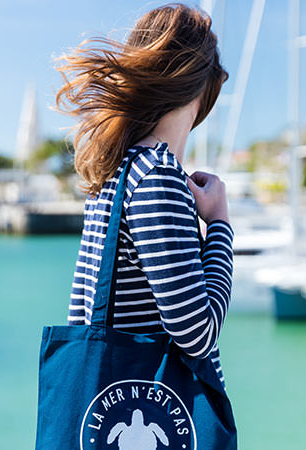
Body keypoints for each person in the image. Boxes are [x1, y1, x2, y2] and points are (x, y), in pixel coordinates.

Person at [53, 2, 234, 392]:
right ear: (202, 89)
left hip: (105, 401)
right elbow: (198, 335)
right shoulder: (157, 175)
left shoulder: (119, 169)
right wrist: (219, 224)